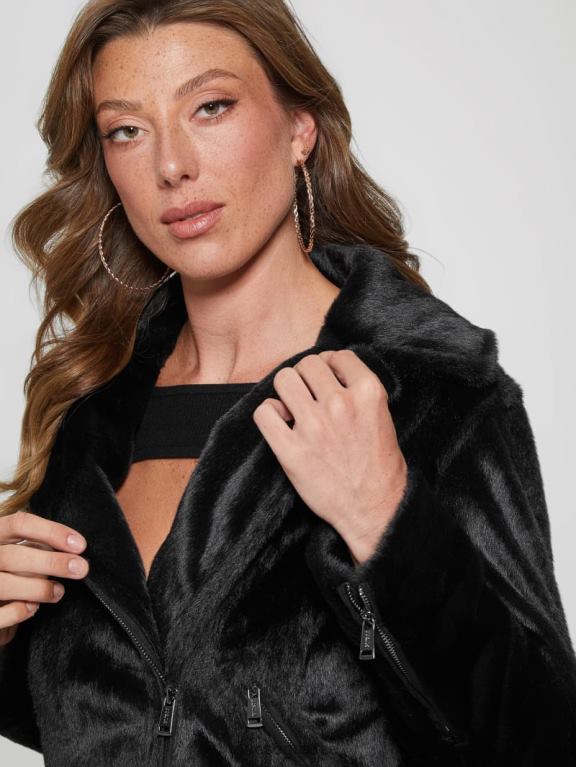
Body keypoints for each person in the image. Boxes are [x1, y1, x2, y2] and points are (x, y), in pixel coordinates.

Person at [1, 1, 575, 765]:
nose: (171, 165)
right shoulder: (93, 421)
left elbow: (543, 739)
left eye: (211, 106)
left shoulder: (431, 392)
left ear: (300, 128)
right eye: (127, 130)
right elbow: (116, 720)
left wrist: (386, 519)